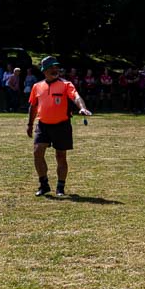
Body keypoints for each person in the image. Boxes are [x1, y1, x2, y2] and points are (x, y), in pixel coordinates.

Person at [26, 56, 92, 197]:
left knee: (61, 156)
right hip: (43, 125)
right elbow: (33, 106)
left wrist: (82, 108)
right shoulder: (37, 86)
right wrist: (30, 124)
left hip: (62, 125)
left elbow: (76, 97)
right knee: (37, 152)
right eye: (51, 67)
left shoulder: (66, 84)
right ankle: (44, 185)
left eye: (56, 67)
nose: (55, 70)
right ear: (44, 70)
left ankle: (60, 187)